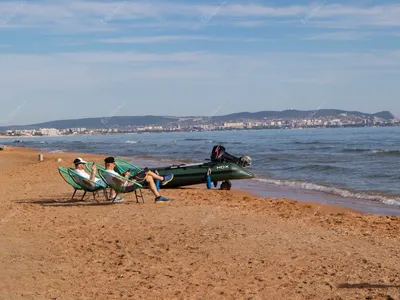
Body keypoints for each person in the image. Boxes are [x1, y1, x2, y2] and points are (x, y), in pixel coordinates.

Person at [104, 157, 173, 203]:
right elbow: (123, 181)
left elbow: (117, 180)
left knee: (149, 177)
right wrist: (126, 176)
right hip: (127, 186)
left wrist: (123, 175)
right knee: (146, 171)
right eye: (114, 163)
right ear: (110, 164)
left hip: (125, 184)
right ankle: (162, 179)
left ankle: (158, 197)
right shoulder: (111, 174)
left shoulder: (106, 172)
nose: (115, 164)